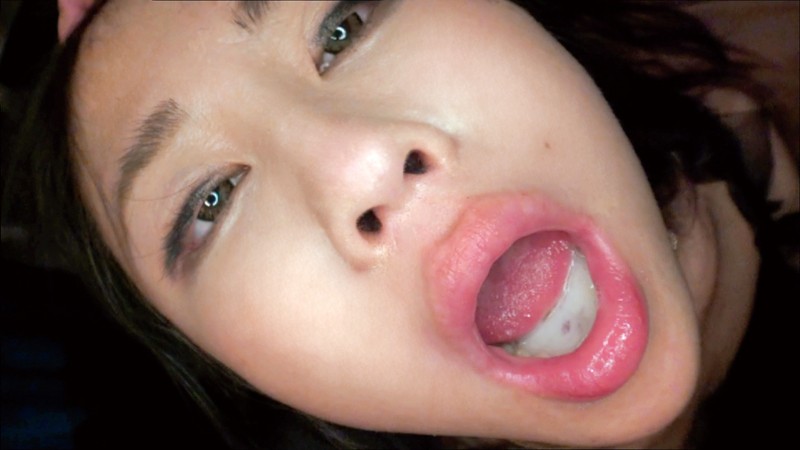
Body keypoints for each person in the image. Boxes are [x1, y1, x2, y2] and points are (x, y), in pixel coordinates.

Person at [6, 1, 797, 448]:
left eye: (342, 26)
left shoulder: (729, 135)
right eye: (212, 199)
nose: (361, 164)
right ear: (218, 365)